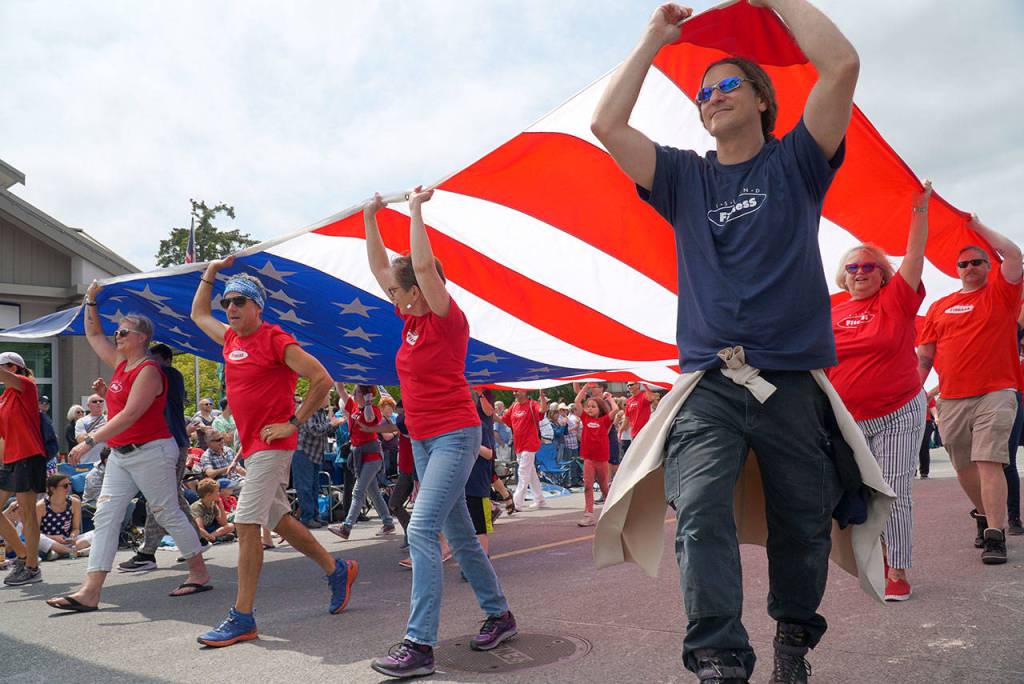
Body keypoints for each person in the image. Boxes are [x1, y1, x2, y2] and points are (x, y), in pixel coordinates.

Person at [592, 1, 860, 680]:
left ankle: (793, 640)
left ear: (763, 99)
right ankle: (720, 660)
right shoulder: (684, 177)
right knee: (700, 511)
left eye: (727, 86)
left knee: (802, 524)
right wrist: (653, 39)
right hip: (710, 383)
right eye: (704, 91)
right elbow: (606, 124)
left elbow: (842, 66)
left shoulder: (798, 160)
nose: (711, 98)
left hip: (792, 381)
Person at [364, 188, 515, 678]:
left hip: (456, 434)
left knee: (423, 528)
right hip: (424, 440)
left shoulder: (447, 320)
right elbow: (382, 269)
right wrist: (370, 216)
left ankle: (420, 645)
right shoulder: (407, 320)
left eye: (397, 290)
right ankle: (500, 614)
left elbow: (423, 270)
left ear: (418, 292)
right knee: (460, 534)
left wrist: (413, 212)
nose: (390, 294)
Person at [190, 263, 357, 646]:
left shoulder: (275, 338)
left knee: (247, 523)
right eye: (227, 301)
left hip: (272, 445)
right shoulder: (231, 339)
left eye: (240, 301)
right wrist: (211, 271)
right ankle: (337, 569)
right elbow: (199, 313)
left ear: (258, 307)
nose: (230, 308)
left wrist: (293, 423)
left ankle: (242, 616)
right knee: (278, 520)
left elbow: (322, 379)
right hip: (252, 447)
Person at [45, 294, 211, 611]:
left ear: (142, 338)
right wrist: (90, 303)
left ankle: (198, 572)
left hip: (152, 451)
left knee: (166, 512)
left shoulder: (149, 369)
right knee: (107, 516)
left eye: (123, 332)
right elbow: (93, 334)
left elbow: (130, 414)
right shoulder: (122, 364)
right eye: (117, 332)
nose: (116, 336)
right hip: (122, 454)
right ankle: (90, 591)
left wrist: (89, 441)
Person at [827, 181, 932, 601]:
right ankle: (862, 555)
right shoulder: (830, 307)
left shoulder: (896, 300)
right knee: (853, 492)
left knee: (892, 490)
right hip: (847, 419)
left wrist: (919, 212)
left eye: (868, 266)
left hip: (898, 412)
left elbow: (916, 257)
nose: (859, 273)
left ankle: (898, 568)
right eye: (852, 268)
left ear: (883, 274)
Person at [917, 215, 1024, 565]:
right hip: (951, 399)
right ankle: (982, 514)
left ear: (987, 264)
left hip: (997, 392)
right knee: (964, 466)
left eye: (977, 261)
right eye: (963, 263)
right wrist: (914, 393)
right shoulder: (939, 306)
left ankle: (996, 534)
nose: (969, 267)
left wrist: (978, 229)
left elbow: (1013, 255)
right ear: (957, 269)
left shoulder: (1002, 293)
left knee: (989, 460)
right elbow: (925, 357)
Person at [117, 342, 201, 573]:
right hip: (164, 443)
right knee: (171, 496)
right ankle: (197, 540)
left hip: (170, 443)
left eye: (152, 358)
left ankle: (147, 553)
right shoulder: (159, 374)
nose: (147, 363)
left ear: (166, 360)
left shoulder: (169, 375)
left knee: (159, 500)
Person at [0, 350, 47, 586]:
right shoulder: (3, 399)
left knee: (28, 513)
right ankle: (22, 555)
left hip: (29, 455)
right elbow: (3, 437)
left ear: (13, 368)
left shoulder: (26, 386)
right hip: (11, 460)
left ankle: (32, 566)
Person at [328, 383, 395, 539]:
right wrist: (338, 376)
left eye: (358, 392)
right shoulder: (352, 406)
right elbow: (341, 390)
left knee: (358, 491)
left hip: (372, 457)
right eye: (355, 392)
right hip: (360, 455)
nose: (354, 394)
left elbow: (370, 418)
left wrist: (368, 403)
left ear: (366, 394)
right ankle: (388, 522)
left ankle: (346, 527)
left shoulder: (375, 410)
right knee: (374, 493)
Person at [574, 384, 621, 527]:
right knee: (587, 486)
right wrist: (585, 388)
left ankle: (612, 513)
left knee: (604, 488)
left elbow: (616, 410)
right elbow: (577, 401)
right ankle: (588, 515)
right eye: (588, 406)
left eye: (593, 406)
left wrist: (610, 398)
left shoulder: (605, 420)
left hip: (602, 460)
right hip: (589, 459)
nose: (589, 409)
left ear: (600, 409)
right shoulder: (585, 418)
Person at [292, 395, 335, 528]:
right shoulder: (309, 409)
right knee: (305, 487)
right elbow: (314, 430)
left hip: (315, 454)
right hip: (303, 452)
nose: (328, 398)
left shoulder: (320, 412)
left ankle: (315, 516)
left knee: (315, 487)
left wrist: (333, 423)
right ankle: (307, 518)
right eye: (327, 396)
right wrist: (331, 423)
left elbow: (326, 431)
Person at [502, 389, 548, 511]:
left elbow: (542, 410)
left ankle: (517, 503)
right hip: (518, 445)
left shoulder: (532, 404)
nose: (515, 393)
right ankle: (540, 500)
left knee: (523, 472)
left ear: (525, 392)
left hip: (530, 444)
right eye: (514, 391)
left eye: (517, 391)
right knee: (530, 473)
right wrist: (490, 414)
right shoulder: (514, 405)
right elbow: (504, 419)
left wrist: (542, 398)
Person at [37, 474, 95, 559]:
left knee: (97, 533)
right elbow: (35, 533)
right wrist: (54, 538)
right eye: (65, 485)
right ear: (52, 489)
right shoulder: (40, 506)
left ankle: (60, 553)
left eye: (70, 484)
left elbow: (76, 528)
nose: (68, 488)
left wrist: (73, 536)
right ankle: (74, 552)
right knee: (39, 539)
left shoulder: (74, 502)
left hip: (69, 541)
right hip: (50, 542)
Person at [619, 381, 657, 476]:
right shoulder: (629, 401)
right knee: (637, 457)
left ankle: (648, 475)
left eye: (632, 384)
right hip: (634, 434)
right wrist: (620, 431)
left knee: (646, 456)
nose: (629, 386)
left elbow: (652, 398)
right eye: (628, 385)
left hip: (645, 432)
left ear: (638, 385)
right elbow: (627, 418)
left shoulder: (644, 395)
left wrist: (645, 384)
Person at [191, 479, 236, 544]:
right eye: (217, 492)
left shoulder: (213, 504)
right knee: (201, 534)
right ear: (209, 495)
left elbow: (223, 523)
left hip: (209, 530)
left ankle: (211, 538)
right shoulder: (197, 507)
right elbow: (199, 528)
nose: (218, 494)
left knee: (230, 526)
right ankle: (214, 538)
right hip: (198, 531)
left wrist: (220, 505)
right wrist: (210, 536)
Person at [74, 394, 107, 464]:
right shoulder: (81, 421)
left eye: (101, 401)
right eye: (94, 401)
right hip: (88, 461)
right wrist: (104, 434)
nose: (98, 403)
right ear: (88, 406)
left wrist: (91, 436)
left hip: (107, 461)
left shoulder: (110, 418)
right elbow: (80, 439)